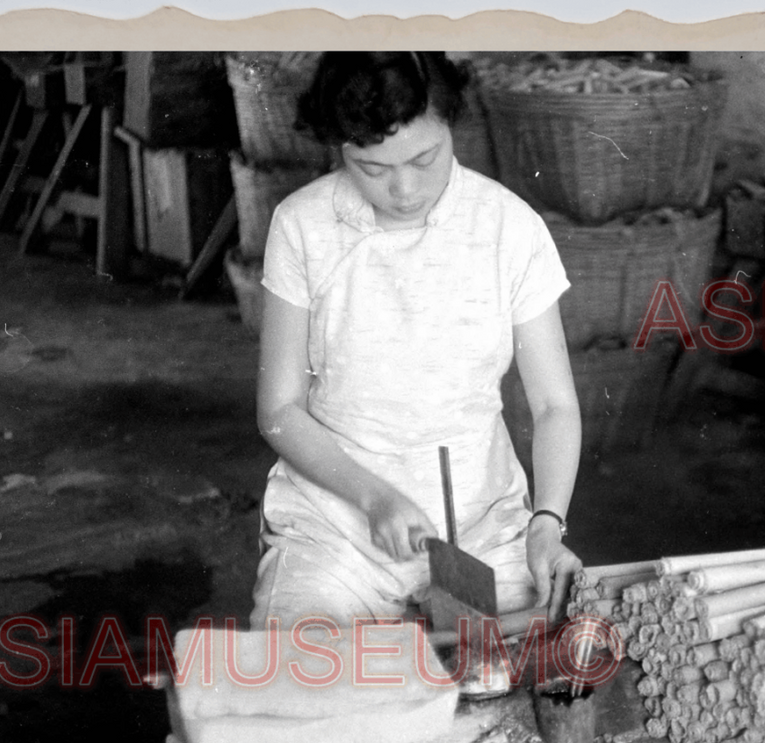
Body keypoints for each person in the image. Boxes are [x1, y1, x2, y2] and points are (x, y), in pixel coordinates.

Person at [250, 52, 583, 636]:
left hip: (479, 521)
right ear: (339, 148)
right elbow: (279, 411)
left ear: (451, 124)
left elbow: (554, 406)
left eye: (424, 159)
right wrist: (373, 498)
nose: (403, 189)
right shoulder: (302, 225)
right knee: (299, 676)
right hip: (338, 522)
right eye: (371, 168)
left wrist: (546, 526)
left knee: (503, 674)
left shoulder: (509, 227)